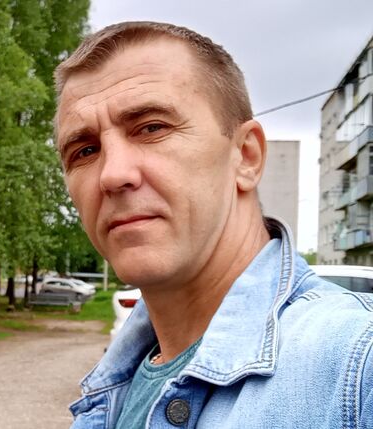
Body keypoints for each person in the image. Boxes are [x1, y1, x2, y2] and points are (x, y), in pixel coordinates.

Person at [54, 21, 373, 429]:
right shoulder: (117, 384)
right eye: (85, 151)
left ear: (246, 156)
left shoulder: (356, 369)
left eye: (152, 128)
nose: (112, 174)